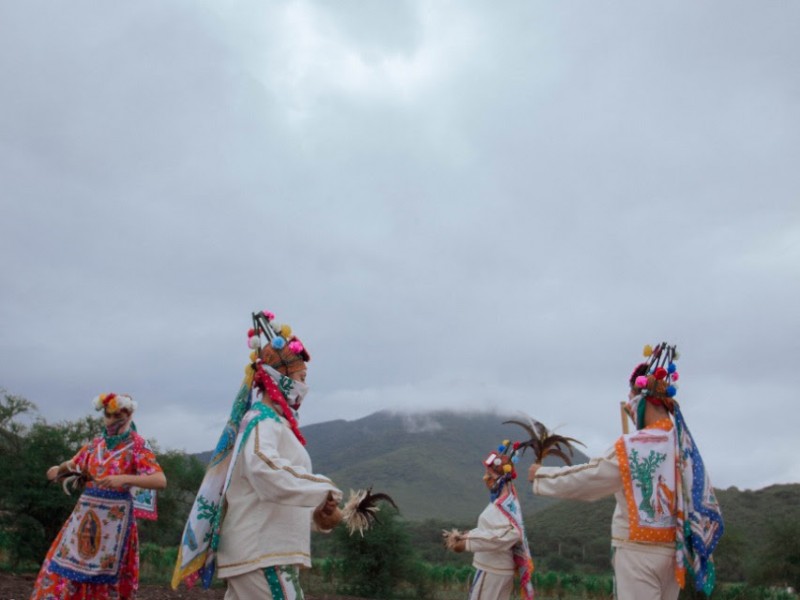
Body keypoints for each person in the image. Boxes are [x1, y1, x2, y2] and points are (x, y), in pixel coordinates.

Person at [527, 343, 724, 600]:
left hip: (637, 553)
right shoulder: (683, 445)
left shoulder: (634, 447)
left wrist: (542, 475)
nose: (630, 410)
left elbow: (591, 478)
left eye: (631, 402)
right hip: (672, 554)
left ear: (640, 400)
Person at [172, 310, 342, 599]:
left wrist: (318, 514)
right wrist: (322, 489)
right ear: (279, 377)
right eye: (300, 377)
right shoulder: (262, 421)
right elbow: (266, 471)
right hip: (262, 553)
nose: (304, 387)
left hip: (267, 553)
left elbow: (273, 490)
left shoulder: (276, 424)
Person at [30, 393, 167, 600]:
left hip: (115, 524)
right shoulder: (95, 446)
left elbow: (159, 480)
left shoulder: (137, 445)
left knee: (109, 578)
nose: (111, 420)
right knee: (67, 569)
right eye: (108, 415)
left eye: (116, 416)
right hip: (85, 518)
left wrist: (123, 479)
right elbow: (67, 468)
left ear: (128, 416)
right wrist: (60, 470)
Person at [445, 441, 534, 600]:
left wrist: (466, 540)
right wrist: (467, 535)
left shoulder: (503, 504)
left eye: (490, 475)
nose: (485, 478)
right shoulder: (507, 501)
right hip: (496, 570)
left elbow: (512, 533)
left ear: (502, 478)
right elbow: (497, 531)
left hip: (493, 570)